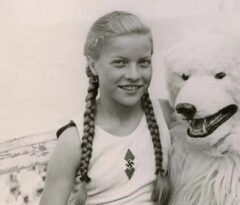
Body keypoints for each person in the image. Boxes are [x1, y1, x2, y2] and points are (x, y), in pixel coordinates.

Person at [40, 11, 171, 205]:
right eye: (120, 63)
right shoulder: (73, 141)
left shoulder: (165, 114)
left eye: (143, 62)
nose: (134, 75)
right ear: (93, 66)